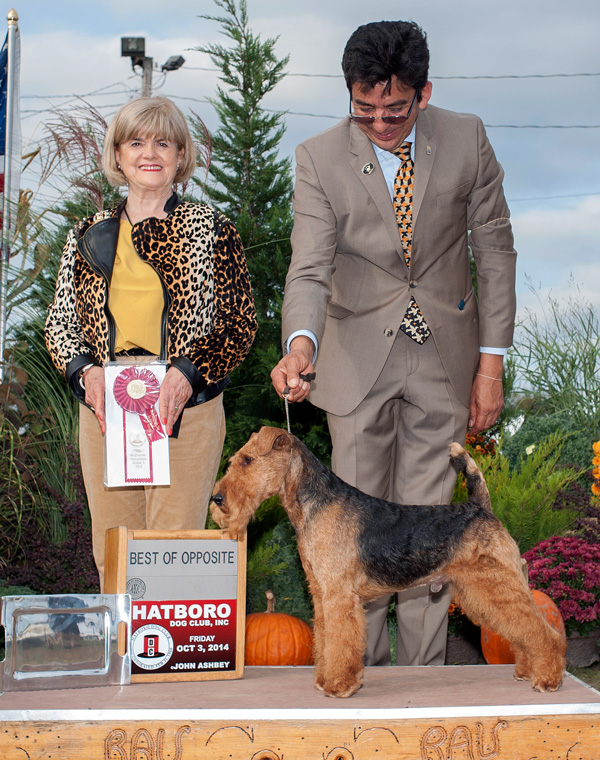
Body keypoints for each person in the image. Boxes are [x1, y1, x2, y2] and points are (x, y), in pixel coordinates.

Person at [270, 21, 516, 667]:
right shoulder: (318, 157)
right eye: (364, 110)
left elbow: (494, 251)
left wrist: (491, 366)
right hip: (353, 360)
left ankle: (424, 677)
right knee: (351, 532)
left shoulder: (468, 138)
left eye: (395, 110)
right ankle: (361, 672)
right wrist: (301, 344)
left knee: (434, 525)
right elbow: (310, 267)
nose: (380, 123)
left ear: (423, 93)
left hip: (445, 355)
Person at [46, 96, 257, 589]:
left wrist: (187, 374)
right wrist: (86, 372)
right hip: (104, 410)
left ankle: (167, 664)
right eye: (136, 141)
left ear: (180, 155)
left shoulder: (212, 229)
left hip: (186, 407)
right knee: (113, 546)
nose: (150, 153)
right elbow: (60, 323)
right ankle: (123, 658)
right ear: (117, 154)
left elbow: (238, 322)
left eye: (163, 142)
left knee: (173, 547)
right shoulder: (85, 235)